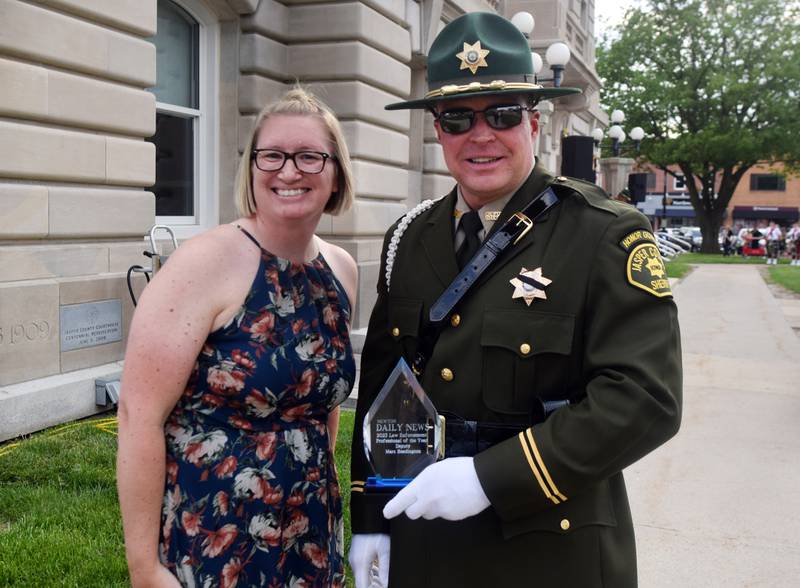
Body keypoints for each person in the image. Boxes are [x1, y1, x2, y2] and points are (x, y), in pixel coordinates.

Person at [348, 12, 682, 588]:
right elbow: (382, 395)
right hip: (424, 544)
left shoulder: (603, 233)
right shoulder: (408, 239)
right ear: (436, 129)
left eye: (502, 114)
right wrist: (370, 525)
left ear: (533, 121)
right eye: (457, 117)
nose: (480, 135)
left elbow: (645, 399)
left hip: (548, 549)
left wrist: (489, 479)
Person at [117, 88, 358, 587]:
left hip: (311, 530)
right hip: (215, 534)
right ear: (252, 168)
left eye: (310, 156)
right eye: (271, 155)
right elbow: (138, 415)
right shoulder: (204, 263)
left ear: (335, 174)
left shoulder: (340, 270)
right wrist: (144, 568)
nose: (289, 171)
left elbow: (320, 402)